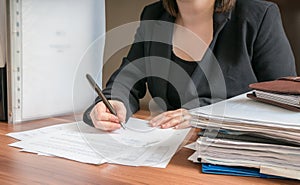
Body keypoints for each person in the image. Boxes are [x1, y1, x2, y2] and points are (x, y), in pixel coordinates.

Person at [83, 0, 296, 131]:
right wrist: (114, 102)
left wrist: (201, 115)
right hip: (167, 152)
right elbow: (129, 77)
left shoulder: (259, 16)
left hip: (232, 156)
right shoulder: (154, 15)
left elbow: (285, 104)